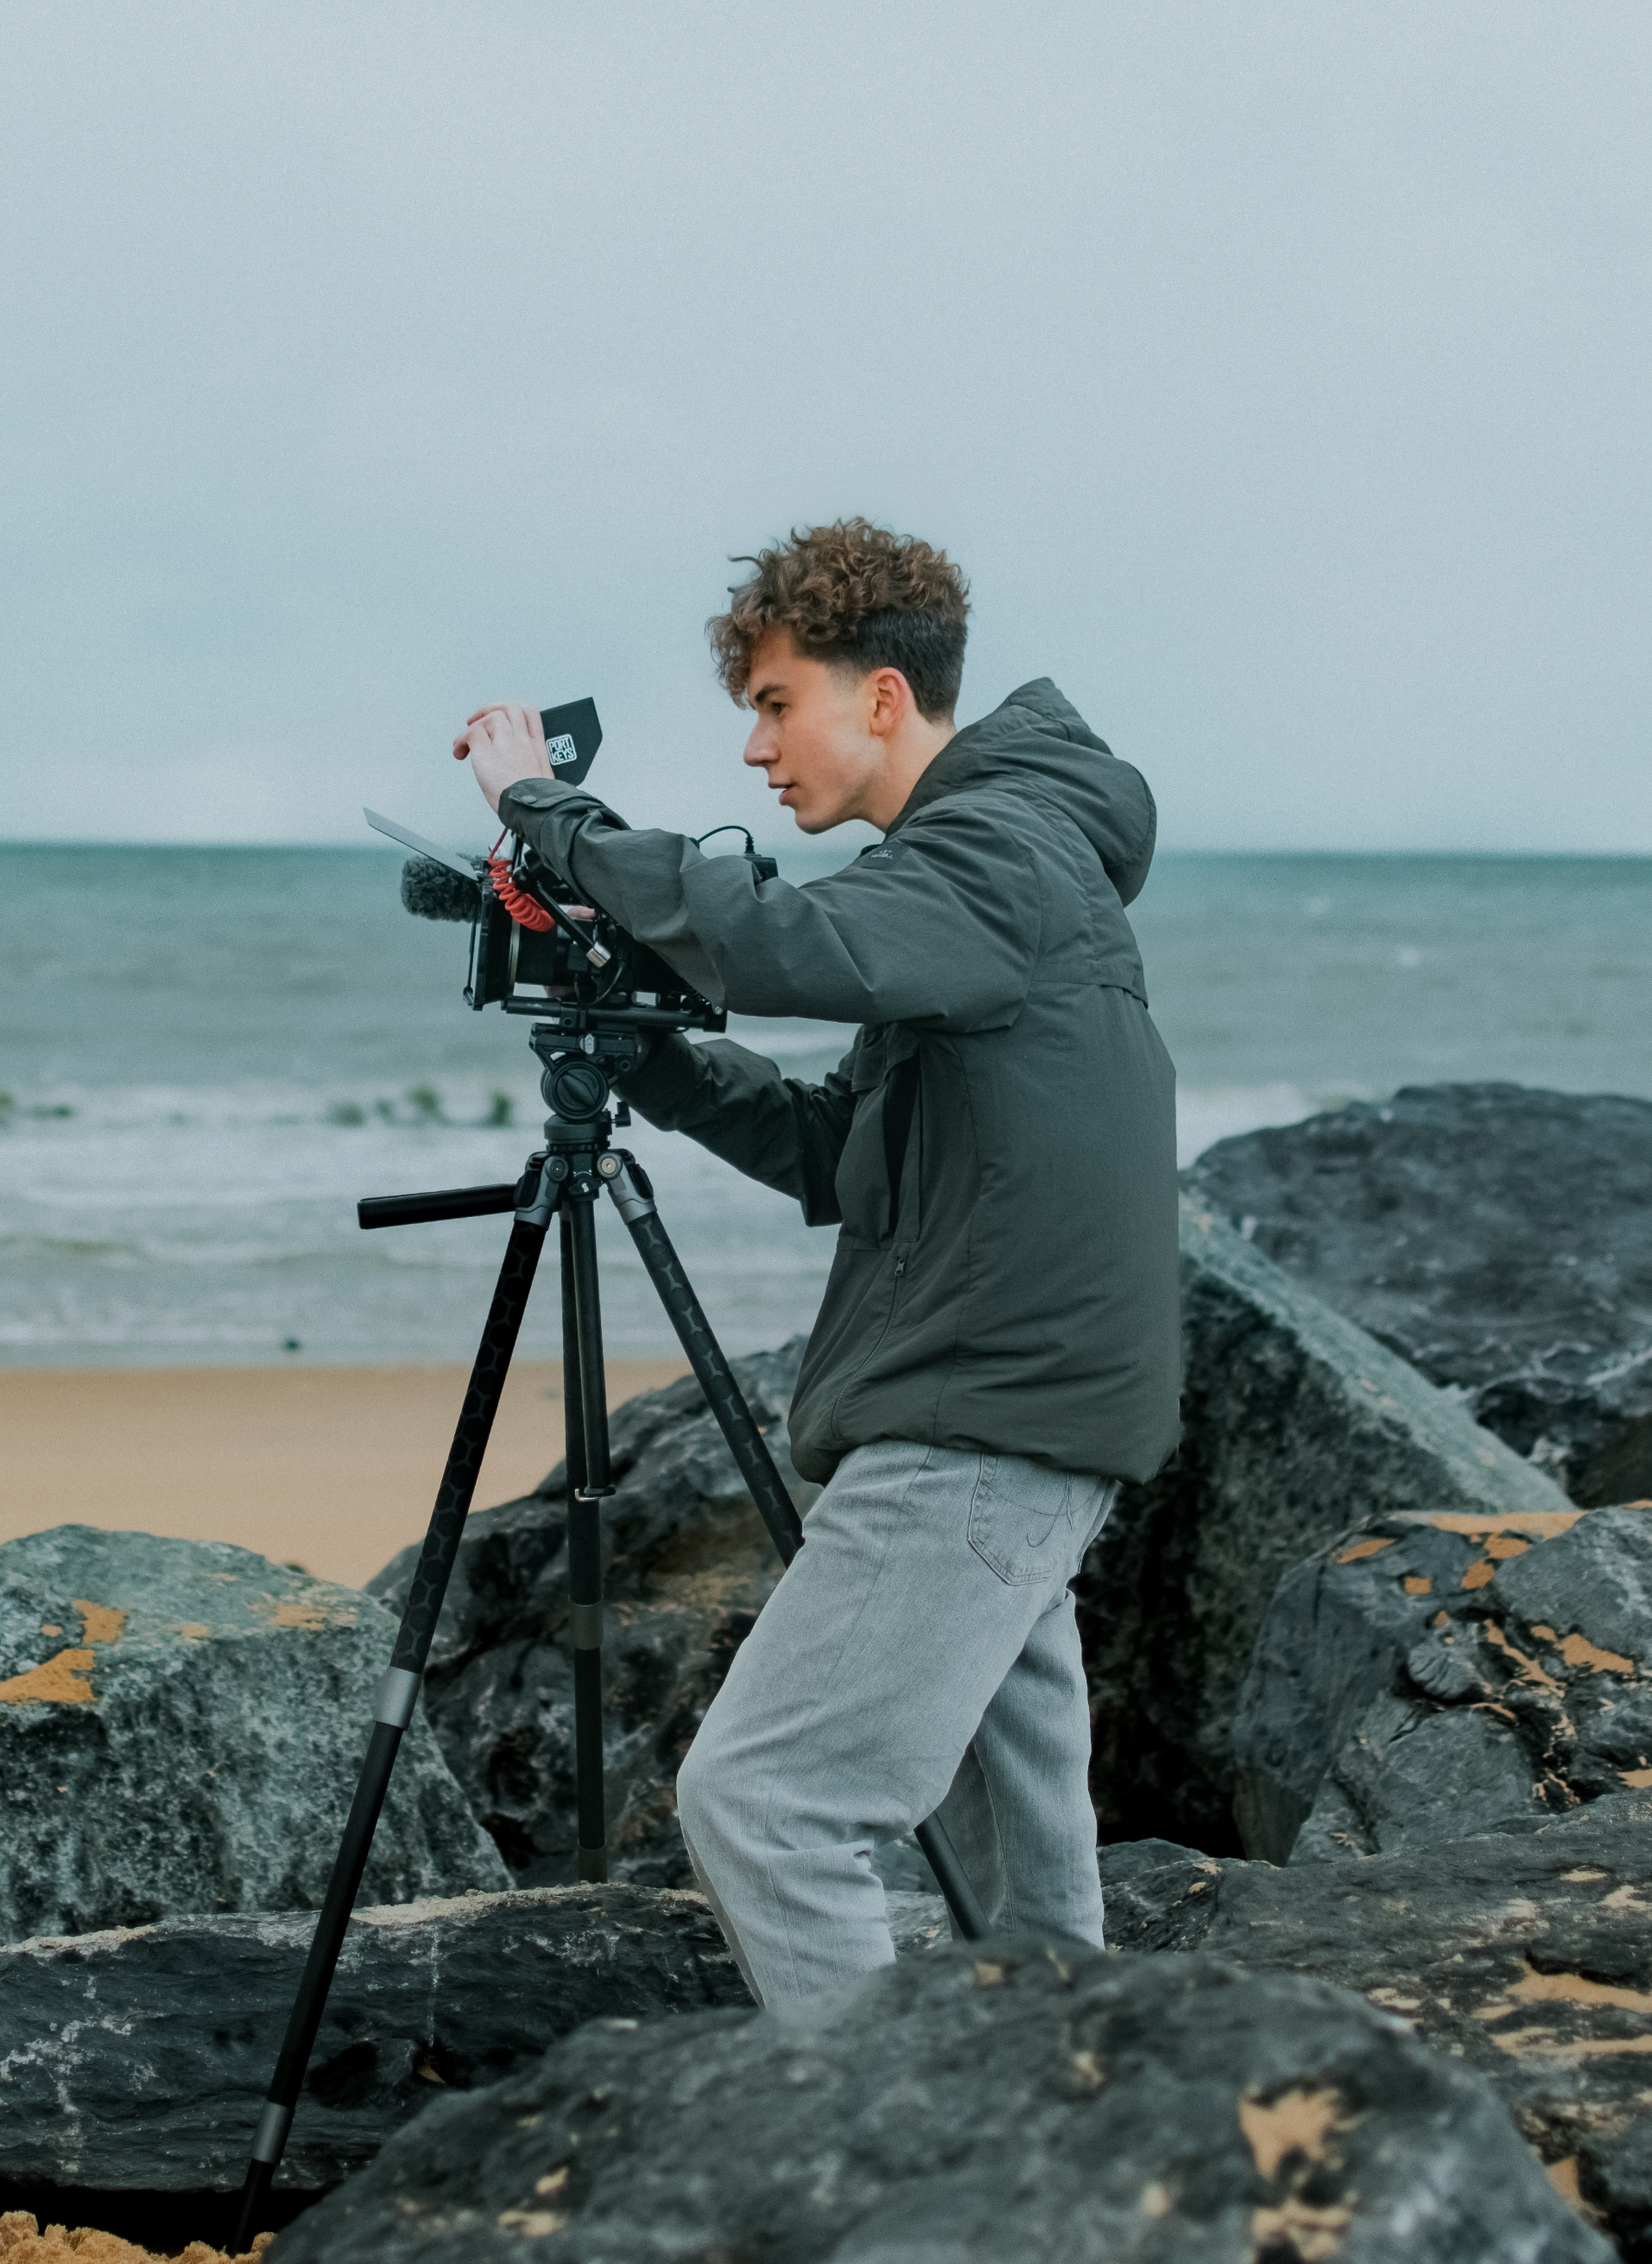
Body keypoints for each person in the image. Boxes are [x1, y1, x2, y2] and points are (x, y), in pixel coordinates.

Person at [451, 517, 1179, 2006]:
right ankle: (1065, 2168)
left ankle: (884, 2173)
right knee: (1030, 1924)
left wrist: (550, 814)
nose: (756, 752)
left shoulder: (994, 855)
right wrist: (640, 1054)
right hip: (1017, 1423)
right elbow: (828, 1151)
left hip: (980, 1425)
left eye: (778, 706)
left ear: (884, 699)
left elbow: (786, 946)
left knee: (766, 1808)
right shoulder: (975, 884)